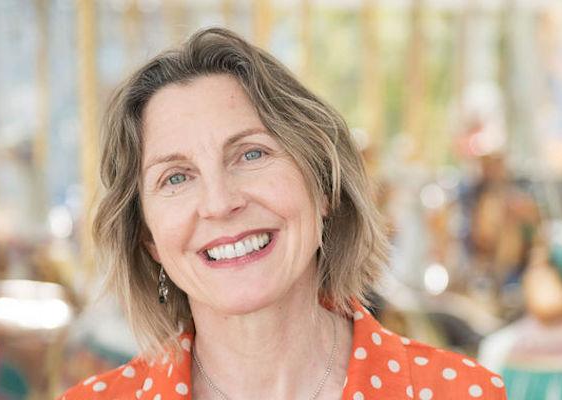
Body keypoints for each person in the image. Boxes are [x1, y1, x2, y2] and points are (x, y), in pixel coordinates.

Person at [61, 27, 506, 399]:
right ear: (148, 238)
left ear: (324, 186)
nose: (220, 203)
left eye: (251, 154)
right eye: (176, 178)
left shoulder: (464, 392)